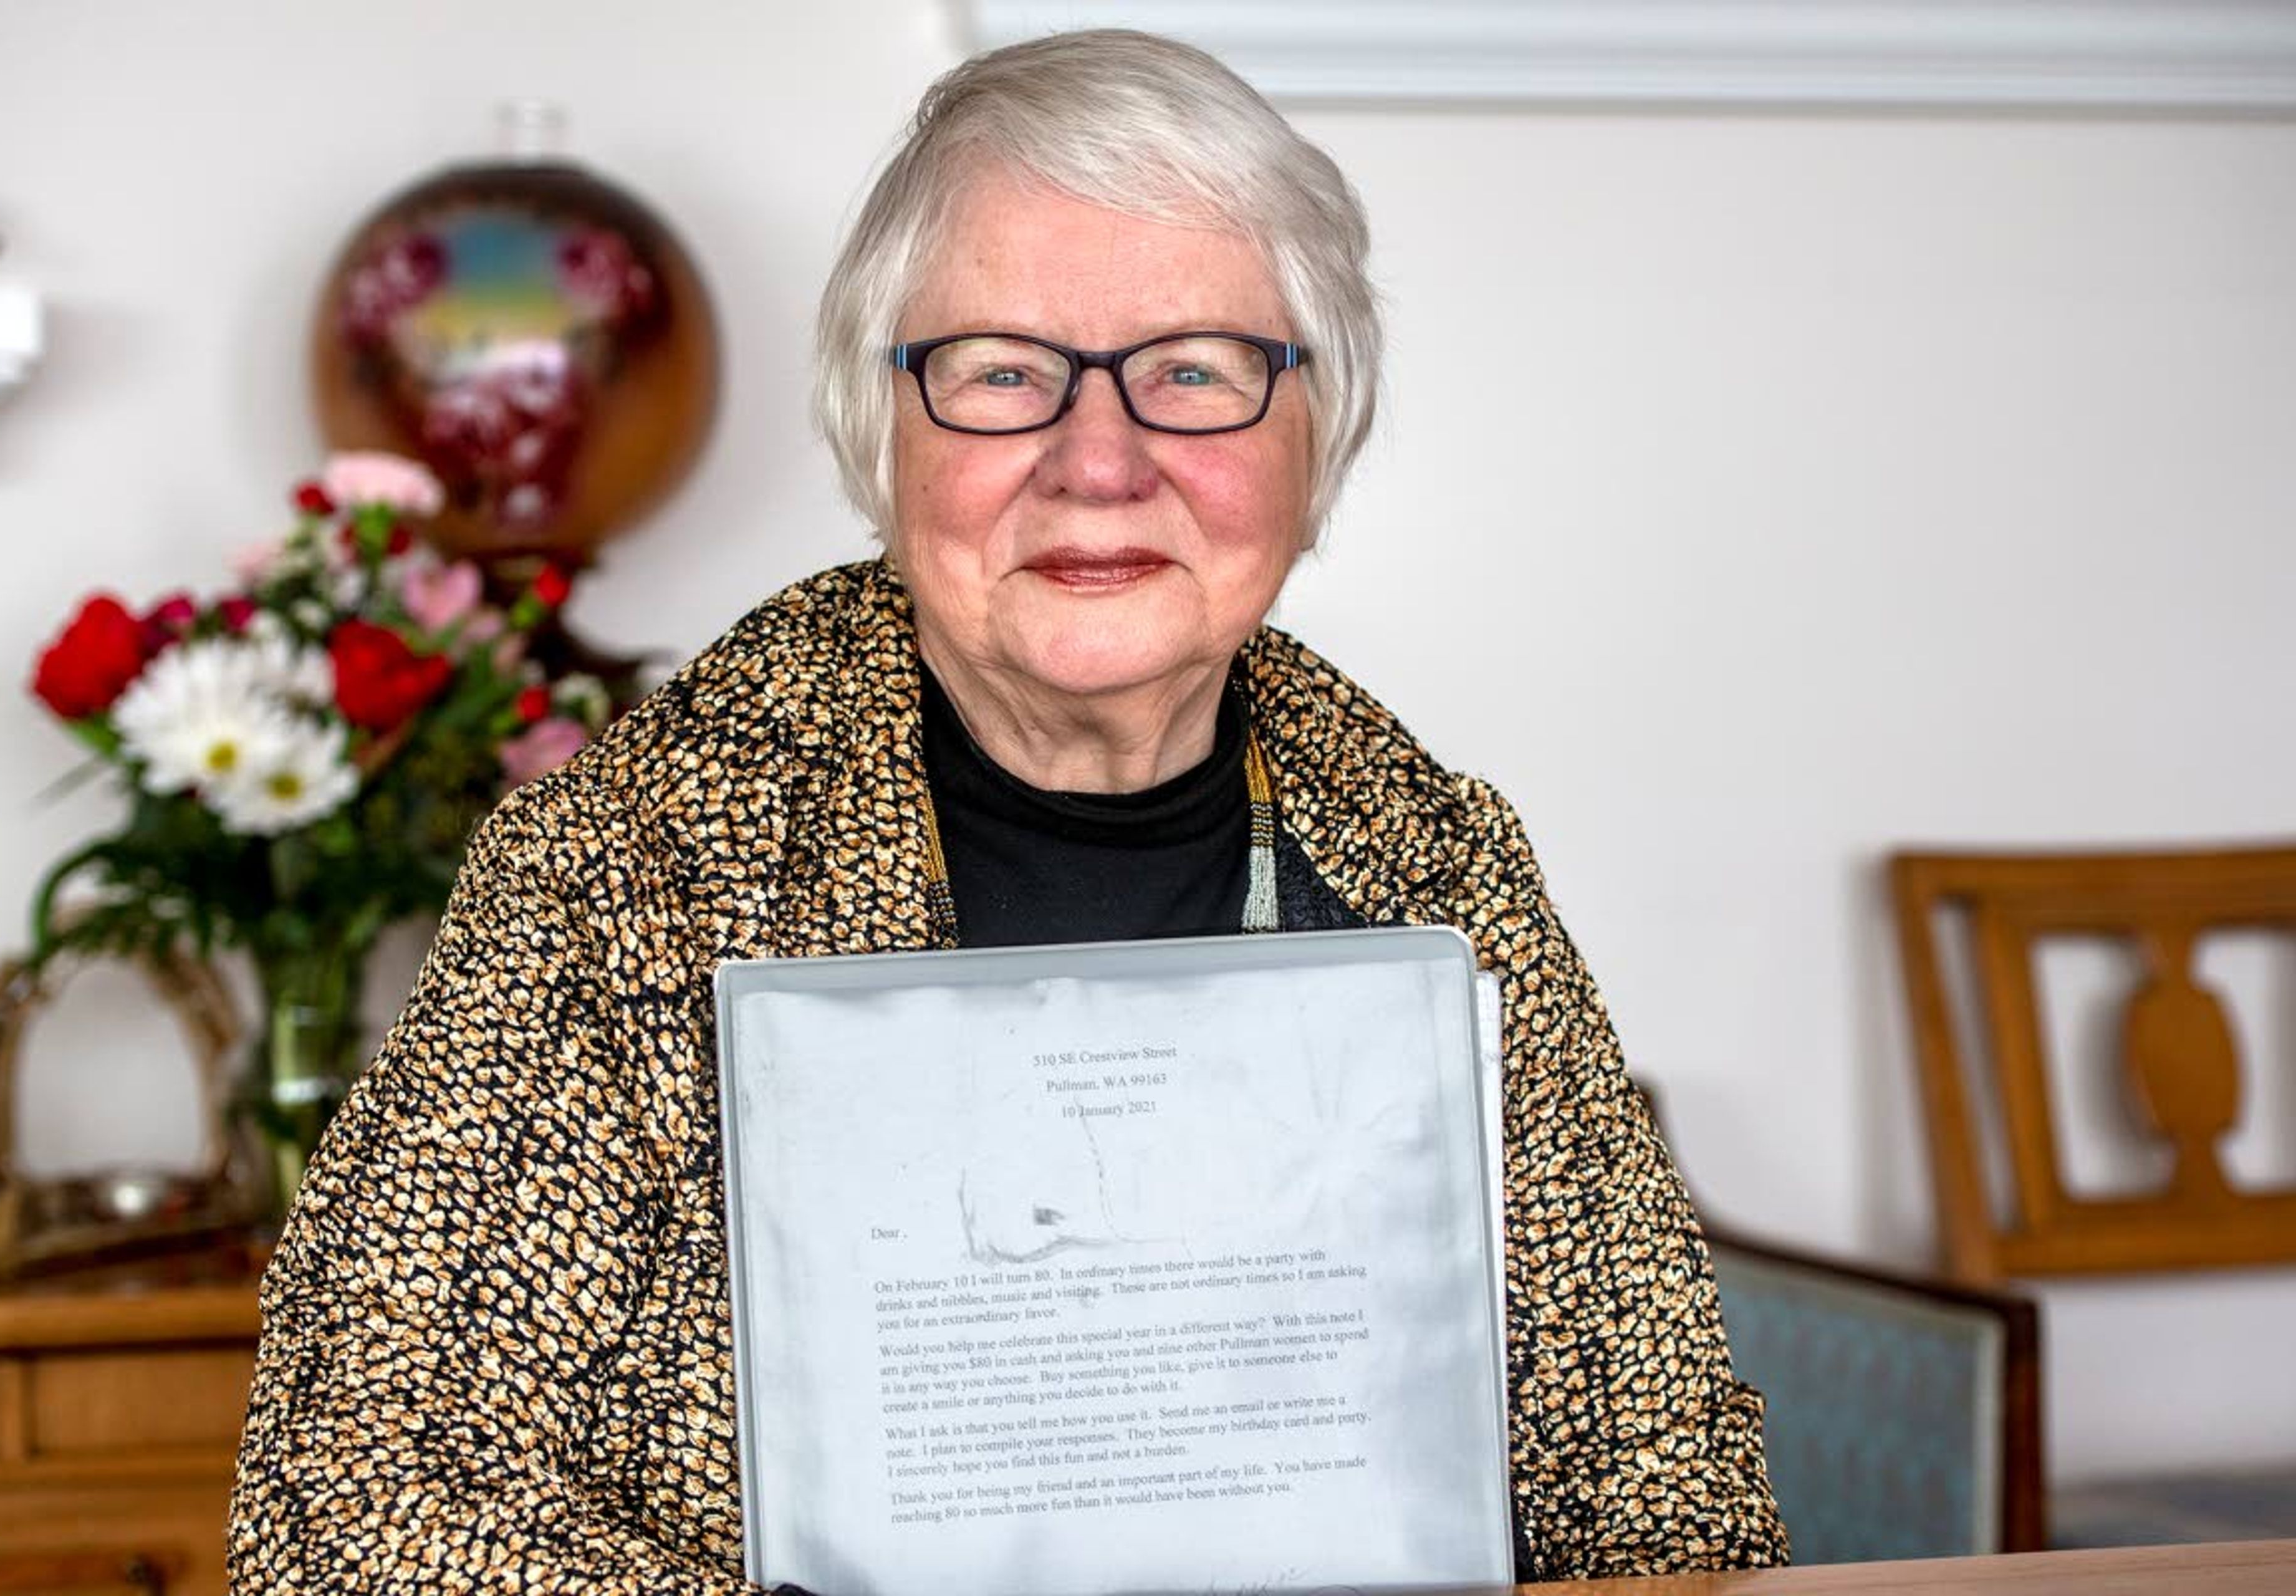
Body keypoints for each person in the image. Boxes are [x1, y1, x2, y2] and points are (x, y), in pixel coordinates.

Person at [229, 28, 1788, 1590]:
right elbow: (351, 1493)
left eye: (1193, 370)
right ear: (880, 428)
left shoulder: (1444, 869)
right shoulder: (626, 867)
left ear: (1317, 436)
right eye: (1002, 373)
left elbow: (1673, 1496)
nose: (1097, 462)